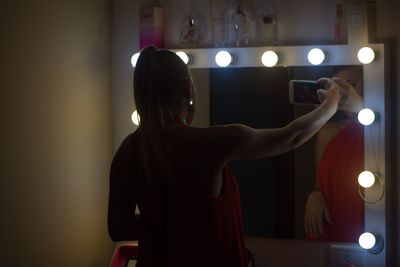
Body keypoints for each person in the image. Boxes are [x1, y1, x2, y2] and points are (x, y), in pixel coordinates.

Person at [107, 46, 342, 267]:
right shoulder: (210, 143)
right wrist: (332, 103)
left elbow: (118, 229)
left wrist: (166, 220)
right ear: (187, 88)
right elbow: (291, 136)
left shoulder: (127, 151)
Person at [304, 66, 364, 242]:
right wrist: (315, 195)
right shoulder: (328, 133)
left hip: (370, 226)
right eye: (337, 89)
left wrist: (362, 107)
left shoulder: (386, 130)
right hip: (330, 223)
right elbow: (319, 185)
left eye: (351, 84)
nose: (344, 93)